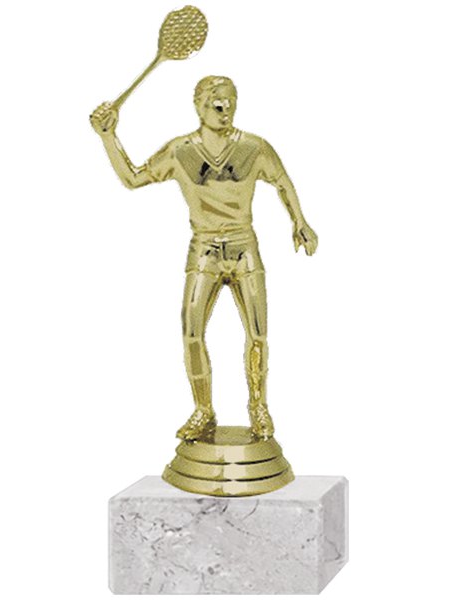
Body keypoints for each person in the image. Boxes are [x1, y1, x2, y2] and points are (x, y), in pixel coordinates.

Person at [90, 75, 318, 441]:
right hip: (204, 251)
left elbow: (282, 181)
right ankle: (203, 410)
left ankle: (258, 406)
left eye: (231, 102)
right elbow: (132, 178)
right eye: (217, 103)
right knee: (192, 332)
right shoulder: (180, 151)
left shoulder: (254, 148)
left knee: (257, 333)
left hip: (244, 248)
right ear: (199, 107)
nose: (225, 109)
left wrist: (300, 221)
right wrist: (108, 138)